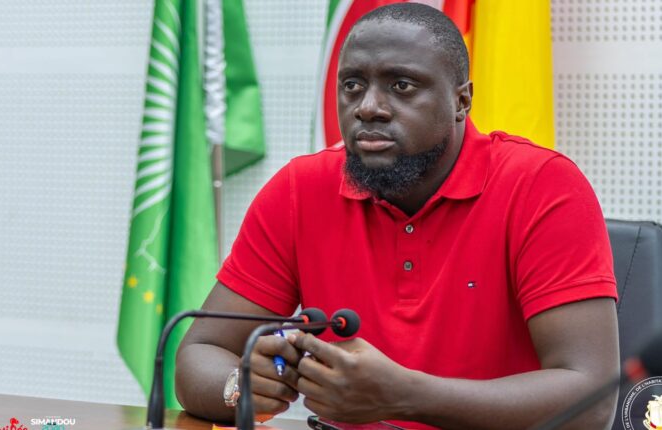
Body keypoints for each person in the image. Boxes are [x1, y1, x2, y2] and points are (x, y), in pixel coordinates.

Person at [176, 3, 620, 429]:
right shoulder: (300, 189)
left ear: (462, 101)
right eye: (352, 85)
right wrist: (243, 387)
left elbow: (592, 400)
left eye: (402, 86)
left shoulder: (541, 185)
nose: (368, 107)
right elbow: (200, 352)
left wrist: (406, 396)